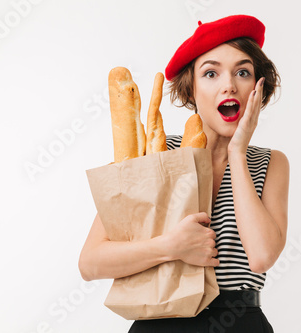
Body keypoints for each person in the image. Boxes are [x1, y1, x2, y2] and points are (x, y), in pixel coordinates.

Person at [78, 14, 289, 333]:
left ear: (258, 89)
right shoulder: (158, 151)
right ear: (191, 91)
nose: (229, 84)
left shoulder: (271, 163)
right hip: (160, 322)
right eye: (211, 73)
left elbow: (260, 257)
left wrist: (237, 153)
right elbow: (91, 262)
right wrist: (170, 247)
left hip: (240, 322)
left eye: (242, 72)